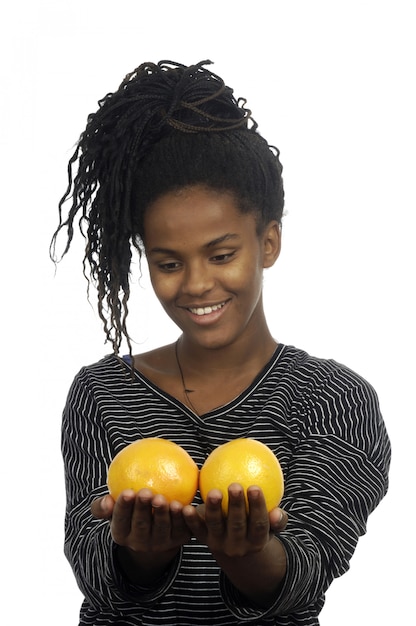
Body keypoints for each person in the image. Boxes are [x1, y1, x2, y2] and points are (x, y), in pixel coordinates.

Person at [51, 60, 391, 626]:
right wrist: (141, 553)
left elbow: (310, 571)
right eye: (168, 263)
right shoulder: (102, 394)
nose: (197, 284)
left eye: (222, 254)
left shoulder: (334, 400)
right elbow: (93, 569)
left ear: (269, 242)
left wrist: (250, 553)